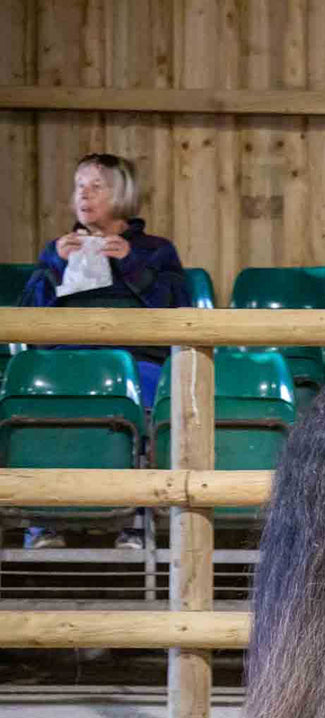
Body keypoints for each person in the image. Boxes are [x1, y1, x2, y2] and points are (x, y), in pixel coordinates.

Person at [20, 153, 190, 551]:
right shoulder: (57, 249)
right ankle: (42, 522)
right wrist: (54, 267)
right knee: (36, 403)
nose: (85, 194)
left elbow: (177, 309)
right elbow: (27, 319)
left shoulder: (155, 250)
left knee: (144, 402)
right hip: (64, 364)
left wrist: (130, 265)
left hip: (136, 364)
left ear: (122, 195)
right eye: (80, 185)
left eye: (97, 186)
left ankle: (133, 521)